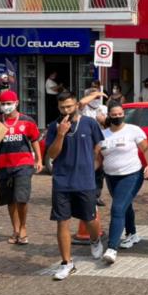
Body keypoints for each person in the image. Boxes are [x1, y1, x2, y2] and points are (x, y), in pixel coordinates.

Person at [45, 92, 105, 280]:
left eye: (70, 106)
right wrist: (61, 134)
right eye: (63, 107)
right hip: (62, 182)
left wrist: (94, 163)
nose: (66, 110)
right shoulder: (54, 126)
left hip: (85, 181)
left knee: (90, 220)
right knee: (62, 221)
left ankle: (95, 240)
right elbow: (52, 154)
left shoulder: (89, 123)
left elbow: (99, 145)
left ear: (76, 105)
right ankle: (66, 262)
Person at [0, 91, 42, 245]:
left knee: (21, 198)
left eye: (9, 103)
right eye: (3, 104)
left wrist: (39, 159)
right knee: (10, 200)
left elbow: (34, 139)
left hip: (23, 164)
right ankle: (15, 229)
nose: (6, 106)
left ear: (16, 103)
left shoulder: (27, 121)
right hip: (3, 165)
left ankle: (23, 227)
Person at [98, 102, 148, 264]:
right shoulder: (103, 134)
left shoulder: (133, 130)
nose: (117, 117)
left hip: (132, 175)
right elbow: (98, 157)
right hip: (111, 176)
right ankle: (132, 233)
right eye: (113, 115)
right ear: (109, 115)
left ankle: (112, 248)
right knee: (125, 205)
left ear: (124, 113)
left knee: (117, 208)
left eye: (119, 114)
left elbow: (146, 149)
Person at [79, 88, 108, 207]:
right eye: (94, 97)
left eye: (98, 97)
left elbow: (108, 125)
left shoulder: (103, 109)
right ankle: (82, 193)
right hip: (85, 142)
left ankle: (96, 195)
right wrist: (95, 94)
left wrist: (103, 121)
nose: (96, 99)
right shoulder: (84, 108)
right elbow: (81, 103)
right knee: (85, 168)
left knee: (99, 170)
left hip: (100, 142)